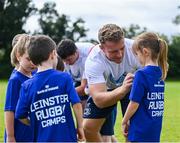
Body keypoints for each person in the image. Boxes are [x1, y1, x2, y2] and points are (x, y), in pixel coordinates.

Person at [15, 35, 85, 142]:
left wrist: (36, 123)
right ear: (53, 54)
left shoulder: (26, 86)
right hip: (67, 138)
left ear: (33, 61)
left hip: (42, 138)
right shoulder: (64, 77)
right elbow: (76, 104)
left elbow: (20, 115)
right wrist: (80, 127)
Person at [83, 24, 140, 142]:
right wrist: (122, 90)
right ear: (102, 48)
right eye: (113, 51)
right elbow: (99, 100)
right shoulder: (94, 60)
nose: (120, 54)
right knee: (88, 129)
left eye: (122, 48)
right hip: (106, 91)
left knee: (134, 129)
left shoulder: (134, 49)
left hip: (131, 86)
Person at [122, 32, 168, 142]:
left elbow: (134, 103)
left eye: (137, 54)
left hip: (140, 130)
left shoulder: (141, 74)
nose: (137, 58)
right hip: (154, 130)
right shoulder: (160, 73)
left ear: (145, 52)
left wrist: (124, 120)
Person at [4, 34, 36, 142]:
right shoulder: (15, 80)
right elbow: (9, 110)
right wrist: (10, 136)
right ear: (18, 56)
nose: (32, 63)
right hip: (19, 134)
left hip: (32, 133)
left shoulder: (36, 75)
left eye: (35, 59)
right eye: (28, 59)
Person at [57, 39, 95, 110]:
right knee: (78, 105)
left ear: (76, 52)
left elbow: (83, 88)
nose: (67, 63)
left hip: (93, 79)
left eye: (69, 59)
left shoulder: (88, 55)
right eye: (64, 61)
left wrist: (61, 94)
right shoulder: (61, 58)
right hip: (77, 80)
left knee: (91, 106)